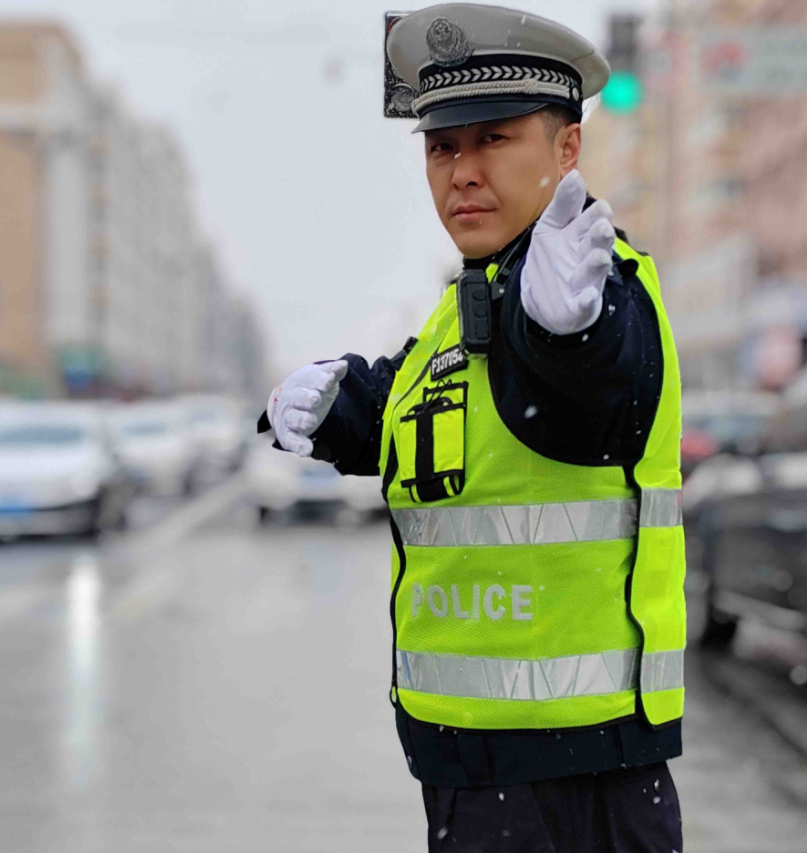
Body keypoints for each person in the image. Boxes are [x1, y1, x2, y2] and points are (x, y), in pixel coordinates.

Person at [260, 5, 686, 850]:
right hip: (471, 762)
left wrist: (571, 335)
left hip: (575, 771)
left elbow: (584, 392)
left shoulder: (593, 290)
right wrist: (339, 407)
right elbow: (429, 416)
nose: (463, 172)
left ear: (567, 148)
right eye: (443, 147)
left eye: (494, 139)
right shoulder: (469, 300)